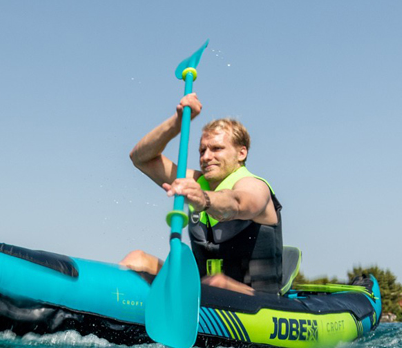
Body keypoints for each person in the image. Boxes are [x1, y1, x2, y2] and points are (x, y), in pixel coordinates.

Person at [121, 94, 283, 296]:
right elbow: (140, 158)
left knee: (216, 283)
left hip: (259, 300)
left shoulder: (255, 186)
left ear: (241, 153)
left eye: (216, 149)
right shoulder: (197, 181)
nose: (206, 157)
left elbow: (238, 203)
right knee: (137, 259)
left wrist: (204, 199)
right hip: (203, 290)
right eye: (202, 150)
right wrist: (177, 123)